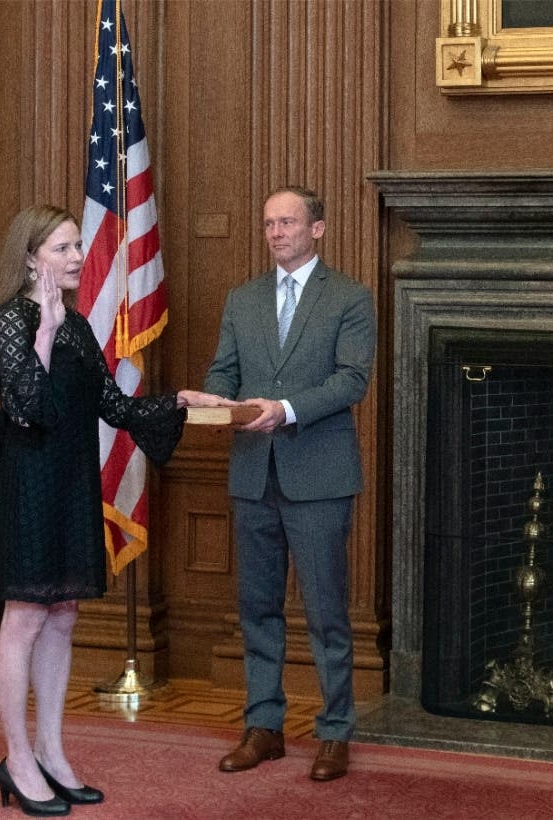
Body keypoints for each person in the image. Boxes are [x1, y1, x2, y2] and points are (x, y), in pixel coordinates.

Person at [0, 204, 230, 816]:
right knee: (24, 615)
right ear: (30, 257)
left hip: (71, 480)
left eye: (76, 247)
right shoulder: (13, 320)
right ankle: (16, 758)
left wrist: (177, 402)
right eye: (64, 248)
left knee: (63, 613)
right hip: (29, 483)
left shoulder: (77, 325)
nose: (76, 258)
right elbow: (28, 409)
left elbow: (114, 406)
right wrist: (42, 331)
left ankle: (51, 750)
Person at [204, 186, 376, 782]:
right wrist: (211, 398)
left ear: (318, 229)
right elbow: (224, 371)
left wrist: (287, 407)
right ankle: (264, 728)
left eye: (288, 222)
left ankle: (334, 732)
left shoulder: (350, 298)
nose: (276, 233)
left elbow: (352, 380)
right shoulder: (242, 299)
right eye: (269, 223)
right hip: (253, 474)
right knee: (257, 609)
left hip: (320, 476)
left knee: (328, 612)